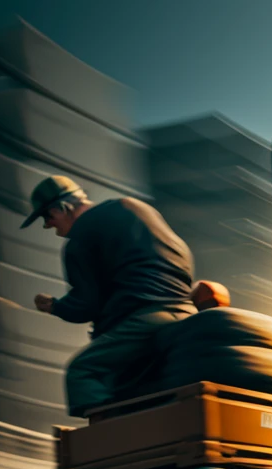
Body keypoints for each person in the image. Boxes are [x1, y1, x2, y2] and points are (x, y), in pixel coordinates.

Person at [22, 175, 196, 416]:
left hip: (145, 321)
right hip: (186, 313)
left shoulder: (80, 238)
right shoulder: (135, 207)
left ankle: (114, 444)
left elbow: (86, 305)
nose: (47, 226)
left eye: (47, 217)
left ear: (64, 207)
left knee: (83, 373)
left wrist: (55, 307)